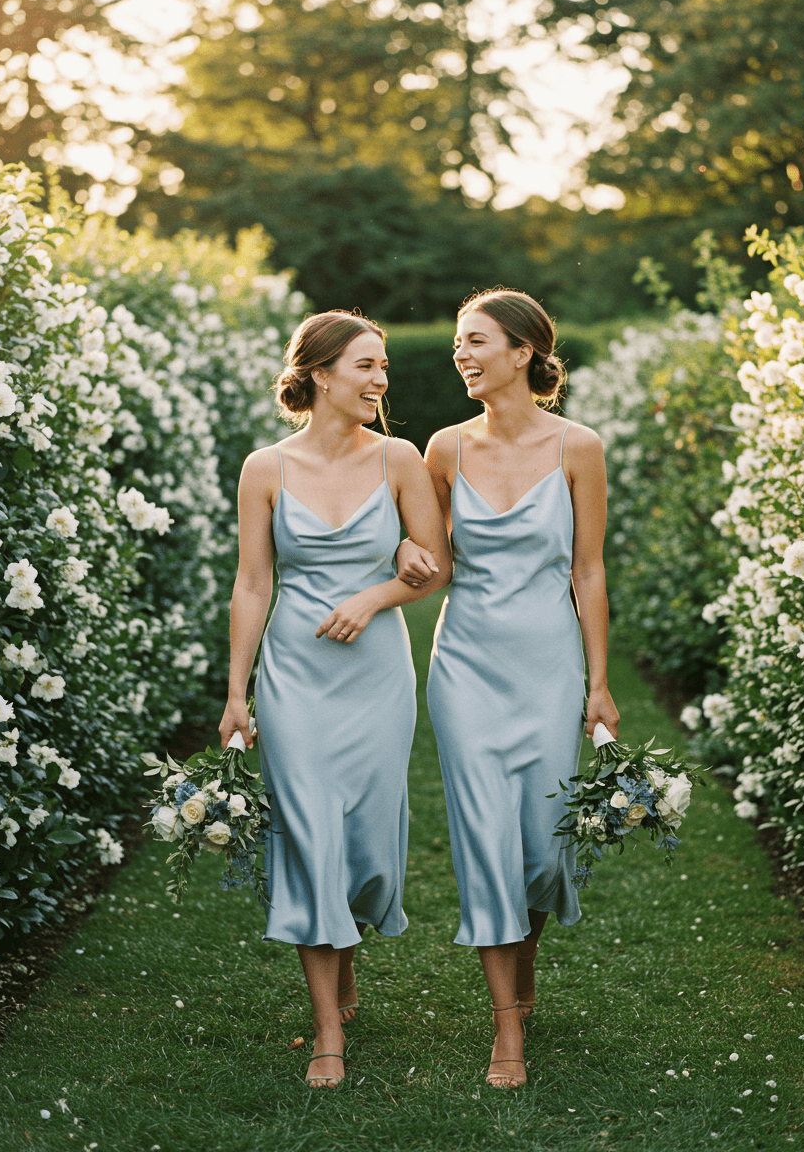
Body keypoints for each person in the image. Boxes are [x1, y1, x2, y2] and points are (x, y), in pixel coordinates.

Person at [218, 311, 451, 1090]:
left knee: (364, 849)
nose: (381, 380)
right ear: (319, 373)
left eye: (383, 366)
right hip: (294, 674)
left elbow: (434, 565)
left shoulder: (399, 458)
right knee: (309, 835)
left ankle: (345, 947)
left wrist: (378, 595)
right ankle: (326, 1031)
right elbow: (254, 583)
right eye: (366, 366)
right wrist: (236, 693)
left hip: (377, 673)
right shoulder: (264, 468)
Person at [397, 288, 619, 1089]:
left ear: (522, 352)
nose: (461, 354)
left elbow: (588, 570)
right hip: (465, 665)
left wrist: (598, 683)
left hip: (550, 664)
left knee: (542, 846)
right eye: (458, 341)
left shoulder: (579, 447)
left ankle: (523, 975)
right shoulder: (444, 449)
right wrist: (401, 566)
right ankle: (506, 1033)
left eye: (475, 340)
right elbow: (435, 561)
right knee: (486, 841)